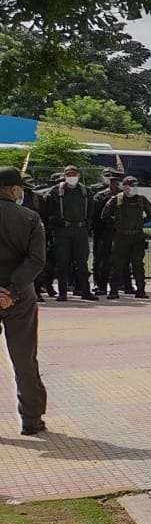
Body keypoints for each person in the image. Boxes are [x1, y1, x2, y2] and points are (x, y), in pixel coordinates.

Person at [0, 166, 48, 435]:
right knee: (25, 360)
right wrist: (10, 291)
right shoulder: (30, 217)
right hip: (20, 298)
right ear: (15, 189)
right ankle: (31, 421)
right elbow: (36, 260)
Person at [45, 165, 95, 302]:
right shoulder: (55, 192)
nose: (71, 176)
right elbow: (48, 211)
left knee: (82, 263)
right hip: (62, 231)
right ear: (64, 175)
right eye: (69, 174)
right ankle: (63, 292)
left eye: (74, 174)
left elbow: (91, 211)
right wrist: (54, 225)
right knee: (62, 263)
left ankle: (85, 291)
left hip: (80, 230)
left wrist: (87, 226)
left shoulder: (86, 191)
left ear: (78, 175)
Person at [104, 175, 151, 299]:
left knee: (138, 265)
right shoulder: (116, 199)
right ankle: (113, 291)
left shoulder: (141, 200)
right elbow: (105, 215)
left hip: (137, 236)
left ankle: (141, 290)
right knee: (117, 265)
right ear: (125, 187)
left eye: (135, 185)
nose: (134, 188)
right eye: (131, 185)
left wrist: (141, 222)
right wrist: (116, 225)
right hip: (121, 237)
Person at [89, 174, 117, 295]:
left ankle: (117, 286)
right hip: (102, 232)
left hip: (118, 232)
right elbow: (94, 215)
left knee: (117, 261)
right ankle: (100, 285)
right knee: (101, 260)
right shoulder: (101, 196)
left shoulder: (124, 196)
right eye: (117, 182)